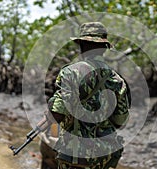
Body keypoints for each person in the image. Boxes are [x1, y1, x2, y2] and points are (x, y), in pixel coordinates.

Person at [41, 22, 131, 169]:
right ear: (104, 48)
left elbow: (57, 113)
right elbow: (120, 121)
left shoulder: (70, 73)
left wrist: (47, 118)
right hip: (104, 157)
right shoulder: (117, 80)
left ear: (81, 45)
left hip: (76, 157)